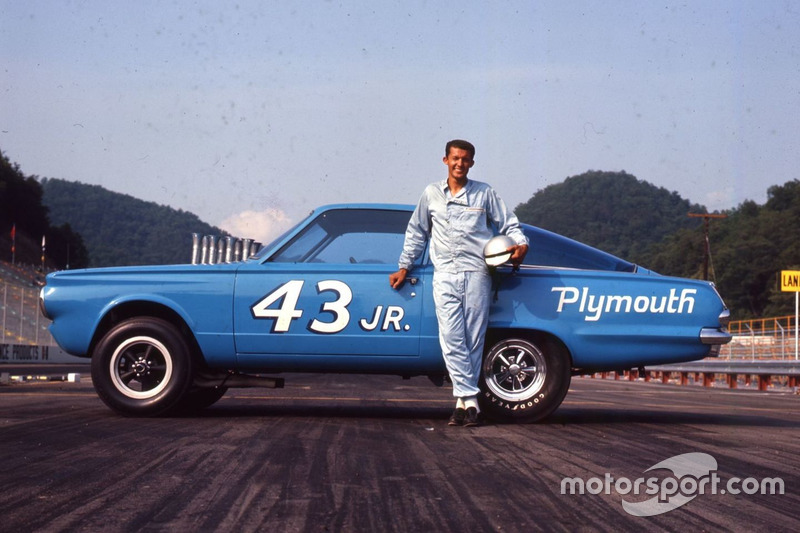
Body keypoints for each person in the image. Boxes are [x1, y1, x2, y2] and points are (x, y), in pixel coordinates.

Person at [389, 139, 529, 427]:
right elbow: (417, 232)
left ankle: (463, 405)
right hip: (445, 275)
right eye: (455, 158)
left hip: (477, 272)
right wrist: (404, 266)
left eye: (465, 159)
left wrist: (520, 244)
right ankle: (471, 398)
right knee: (451, 338)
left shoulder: (484, 193)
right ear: (445, 160)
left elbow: (509, 224)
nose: (459, 164)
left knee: (473, 339)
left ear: (472, 163)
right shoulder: (431, 194)